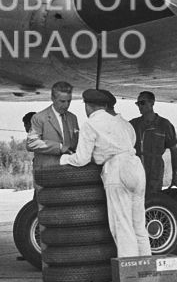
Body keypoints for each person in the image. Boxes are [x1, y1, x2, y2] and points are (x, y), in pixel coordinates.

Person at [60, 89, 151, 258]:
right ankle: (146, 264)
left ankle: (130, 268)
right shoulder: (123, 123)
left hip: (117, 168)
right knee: (139, 224)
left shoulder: (91, 124)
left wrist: (64, 159)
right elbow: (131, 143)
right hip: (136, 166)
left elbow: (82, 159)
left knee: (122, 225)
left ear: (88, 106)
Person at [130, 91, 177, 196]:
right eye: (138, 104)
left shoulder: (164, 124)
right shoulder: (133, 124)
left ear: (152, 103)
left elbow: (174, 150)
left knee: (153, 198)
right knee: (135, 198)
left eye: (142, 103)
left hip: (155, 170)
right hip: (136, 169)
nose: (140, 106)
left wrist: (175, 175)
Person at [25, 81, 79, 169]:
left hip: (69, 171)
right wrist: (60, 148)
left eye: (69, 101)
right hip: (46, 172)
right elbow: (31, 143)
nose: (66, 105)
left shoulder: (73, 118)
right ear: (52, 98)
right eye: (62, 101)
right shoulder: (39, 118)